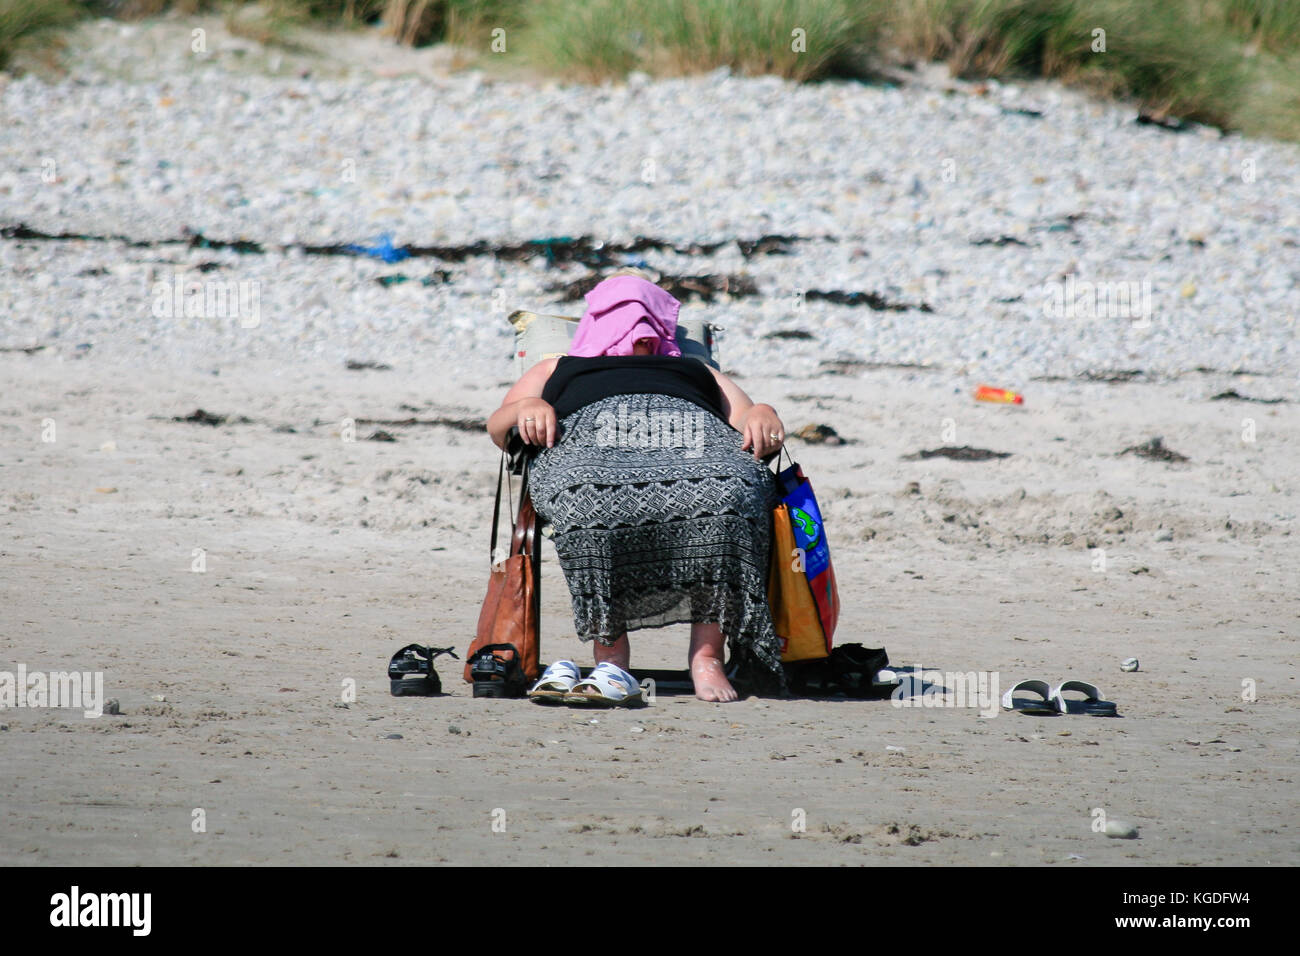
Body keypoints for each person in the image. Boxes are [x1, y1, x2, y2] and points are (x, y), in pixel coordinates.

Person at [486, 272, 787, 702]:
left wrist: (763, 411)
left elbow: (744, 415)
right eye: (622, 317)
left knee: (733, 492)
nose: (636, 327)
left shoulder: (692, 368)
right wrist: (526, 406)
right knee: (587, 499)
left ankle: (707, 657)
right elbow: (496, 426)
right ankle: (612, 657)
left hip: (693, 448)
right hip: (592, 451)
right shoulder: (558, 367)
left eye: (647, 318)